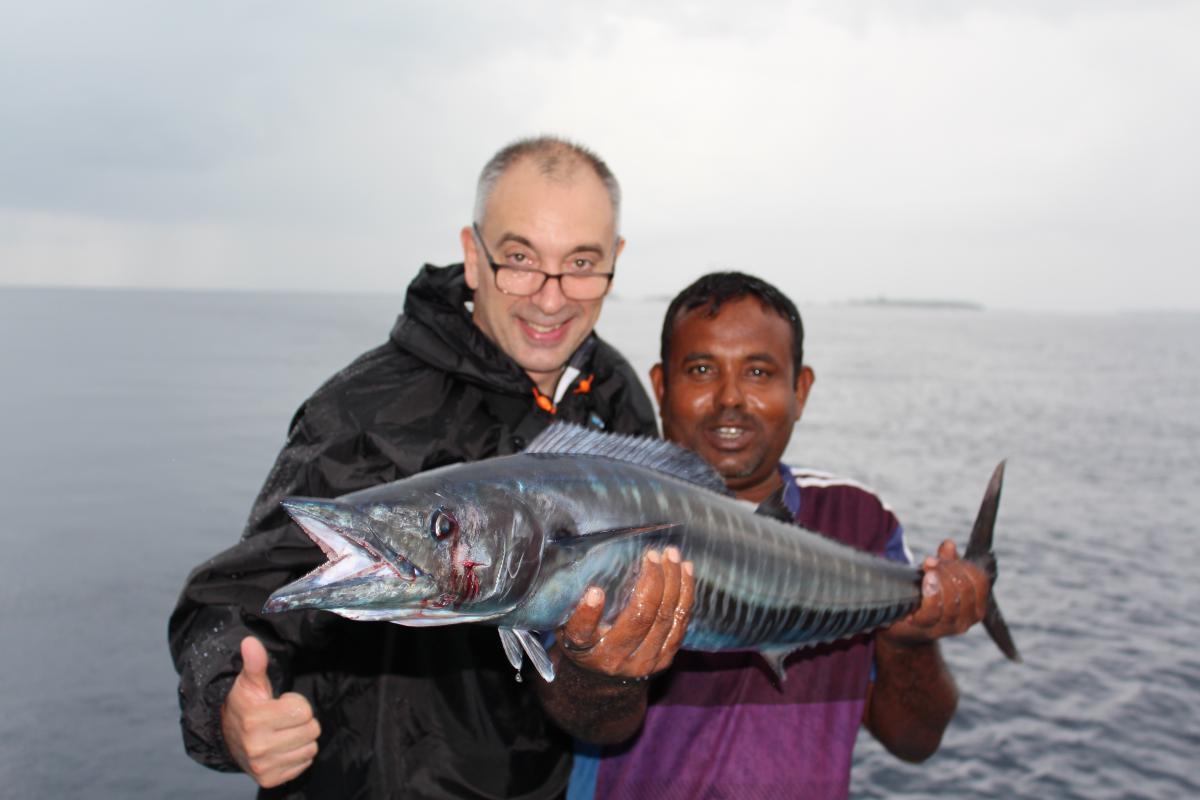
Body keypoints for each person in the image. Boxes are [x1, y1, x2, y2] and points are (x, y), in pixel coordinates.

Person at [168, 136, 694, 799]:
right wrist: (231, 712)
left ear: (614, 262)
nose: (552, 298)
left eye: (581, 263)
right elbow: (235, 597)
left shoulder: (618, 402)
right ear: (474, 257)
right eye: (520, 259)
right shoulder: (364, 411)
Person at [564, 272, 992, 799]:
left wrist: (909, 640)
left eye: (759, 372)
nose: (729, 399)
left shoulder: (859, 520)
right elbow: (582, 721)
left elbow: (914, 741)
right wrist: (604, 672)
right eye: (701, 370)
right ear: (660, 385)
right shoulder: (598, 516)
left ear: (800, 389)